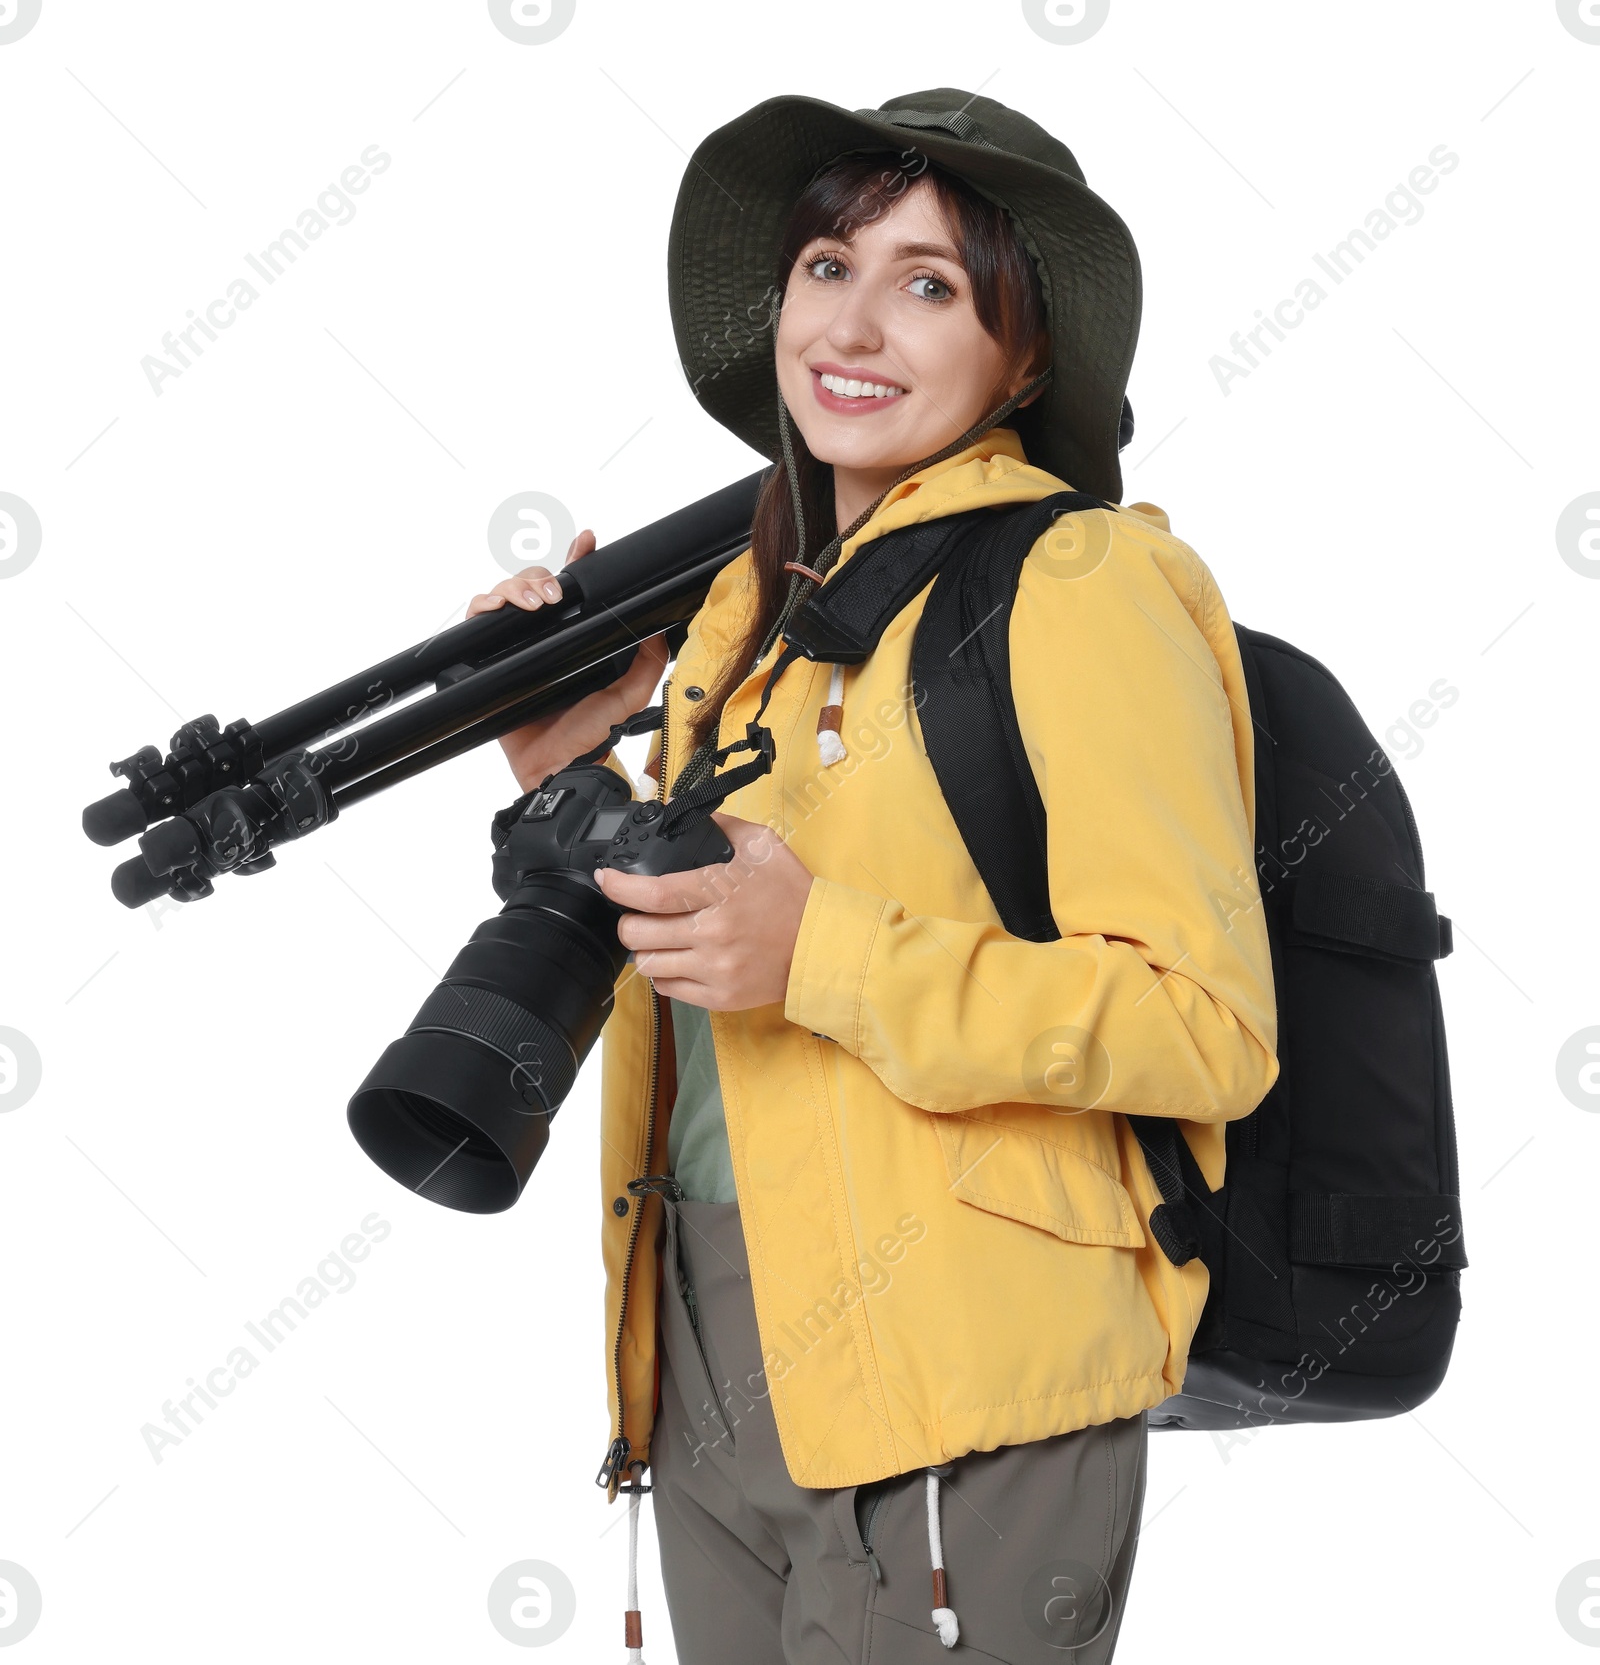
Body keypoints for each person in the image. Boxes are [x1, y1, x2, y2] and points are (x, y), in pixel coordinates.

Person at [469, 90, 1279, 1665]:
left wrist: (823, 954)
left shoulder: (1083, 582)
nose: (857, 322)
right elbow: (714, 954)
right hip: (700, 1328)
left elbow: (1206, 1023)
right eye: (830, 264)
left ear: (1023, 356)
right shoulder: (745, 616)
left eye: (931, 285)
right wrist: (569, 779)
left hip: (963, 1365)